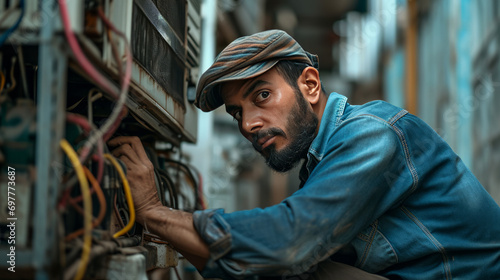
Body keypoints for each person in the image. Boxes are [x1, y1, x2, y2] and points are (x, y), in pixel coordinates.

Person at [108, 30, 500, 279]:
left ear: (310, 85)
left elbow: (287, 242)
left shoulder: (374, 135)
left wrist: (154, 213)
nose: (248, 124)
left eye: (262, 96)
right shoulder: (319, 161)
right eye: (238, 112)